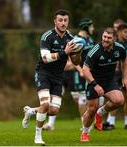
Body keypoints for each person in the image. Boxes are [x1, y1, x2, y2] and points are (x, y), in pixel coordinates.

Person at [22, 9, 81, 145]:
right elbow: (45, 58)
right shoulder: (47, 36)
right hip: (43, 73)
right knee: (45, 104)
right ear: (55, 21)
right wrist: (64, 52)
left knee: (53, 111)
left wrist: (78, 52)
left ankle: (31, 111)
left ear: (68, 22)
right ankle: (38, 136)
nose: (63, 23)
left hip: (58, 77)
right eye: (60, 20)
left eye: (65, 20)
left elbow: (76, 62)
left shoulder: (71, 39)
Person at [80, 27, 127, 142]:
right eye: (104, 37)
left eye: (109, 38)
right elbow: (85, 70)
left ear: (114, 39)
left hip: (108, 81)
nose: (105, 40)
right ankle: (85, 132)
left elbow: (125, 60)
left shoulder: (119, 48)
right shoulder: (95, 51)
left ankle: (100, 112)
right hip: (93, 81)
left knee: (119, 100)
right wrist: (95, 85)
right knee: (91, 109)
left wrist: (125, 77)